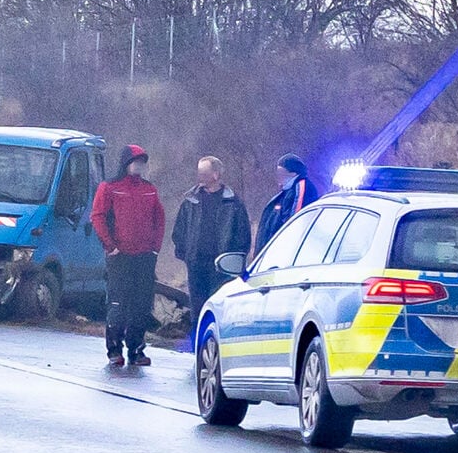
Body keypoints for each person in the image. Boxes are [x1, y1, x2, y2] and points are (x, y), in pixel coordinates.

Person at [91, 145, 165, 367]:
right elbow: (97, 216)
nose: (139, 166)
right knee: (117, 304)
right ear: (126, 163)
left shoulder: (149, 189)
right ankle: (114, 350)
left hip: (144, 256)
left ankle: (136, 349)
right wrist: (110, 245)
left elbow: (159, 219)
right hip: (119, 256)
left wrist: (155, 248)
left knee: (141, 305)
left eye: (142, 162)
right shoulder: (110, 187)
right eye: (136, 161)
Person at [172, 156, 251, 332]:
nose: (200, 176)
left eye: (204, 172)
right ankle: (198, 351)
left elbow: (243, 235)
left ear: (215, 175)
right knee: (197, 311)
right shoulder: (190, 201)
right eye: (199, 172)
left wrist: (232, 260)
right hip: (196, 264)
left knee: (219, 309)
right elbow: (179, 230)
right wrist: (186, 255)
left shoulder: (234, 203)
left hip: (222, 268)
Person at [255, 153, 319, 254]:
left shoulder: (301, 188)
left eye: (281, 172)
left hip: (287, 253)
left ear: (293, 173)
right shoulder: (286, 192)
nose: (278, 176)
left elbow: (296, 221)